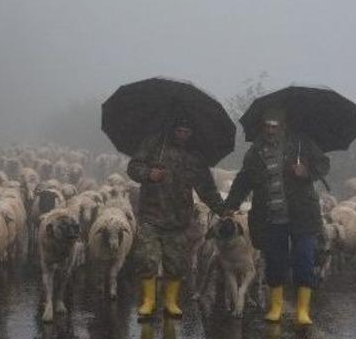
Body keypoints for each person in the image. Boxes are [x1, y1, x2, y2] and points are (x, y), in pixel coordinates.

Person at [223, 108, 330, 326]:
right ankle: (276, 307)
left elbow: (323, 164)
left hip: (302, 215)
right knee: (275, 262)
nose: (271, 130)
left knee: (303, 259)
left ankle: (302, 310)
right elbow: (243, 180)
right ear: (262, 127)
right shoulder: (255, 152)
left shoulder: (301, 143)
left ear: (283, 126)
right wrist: (230, 205)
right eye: (267, 126)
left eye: (275, 126)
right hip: (271, 216)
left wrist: (306, 171)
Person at [127, 115, 225, 320]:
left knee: (176, 263)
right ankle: (148, 301)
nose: (183, 135)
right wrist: (148, 173)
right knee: (147, 259)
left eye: (187, 132)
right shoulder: (154, 144)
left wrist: (222, 208)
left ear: (191, 134)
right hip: (151, 213)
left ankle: (171, 302)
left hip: (178, 217)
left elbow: (206, 187)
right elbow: (133, 167)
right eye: (179, 131)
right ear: (173, 129)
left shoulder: (194, 156)